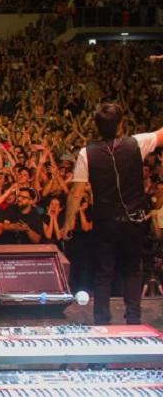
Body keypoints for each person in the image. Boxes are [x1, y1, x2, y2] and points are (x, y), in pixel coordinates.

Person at [62, 103, 163, 325]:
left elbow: (76, 192)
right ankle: (133, 320)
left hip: (105, 222)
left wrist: (68, 223)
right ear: (120, 125)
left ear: (97, 127)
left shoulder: (86, 153)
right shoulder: (136, 143)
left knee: (103, 272)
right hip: (133, 221)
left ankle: (101, 321)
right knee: (131, 270)